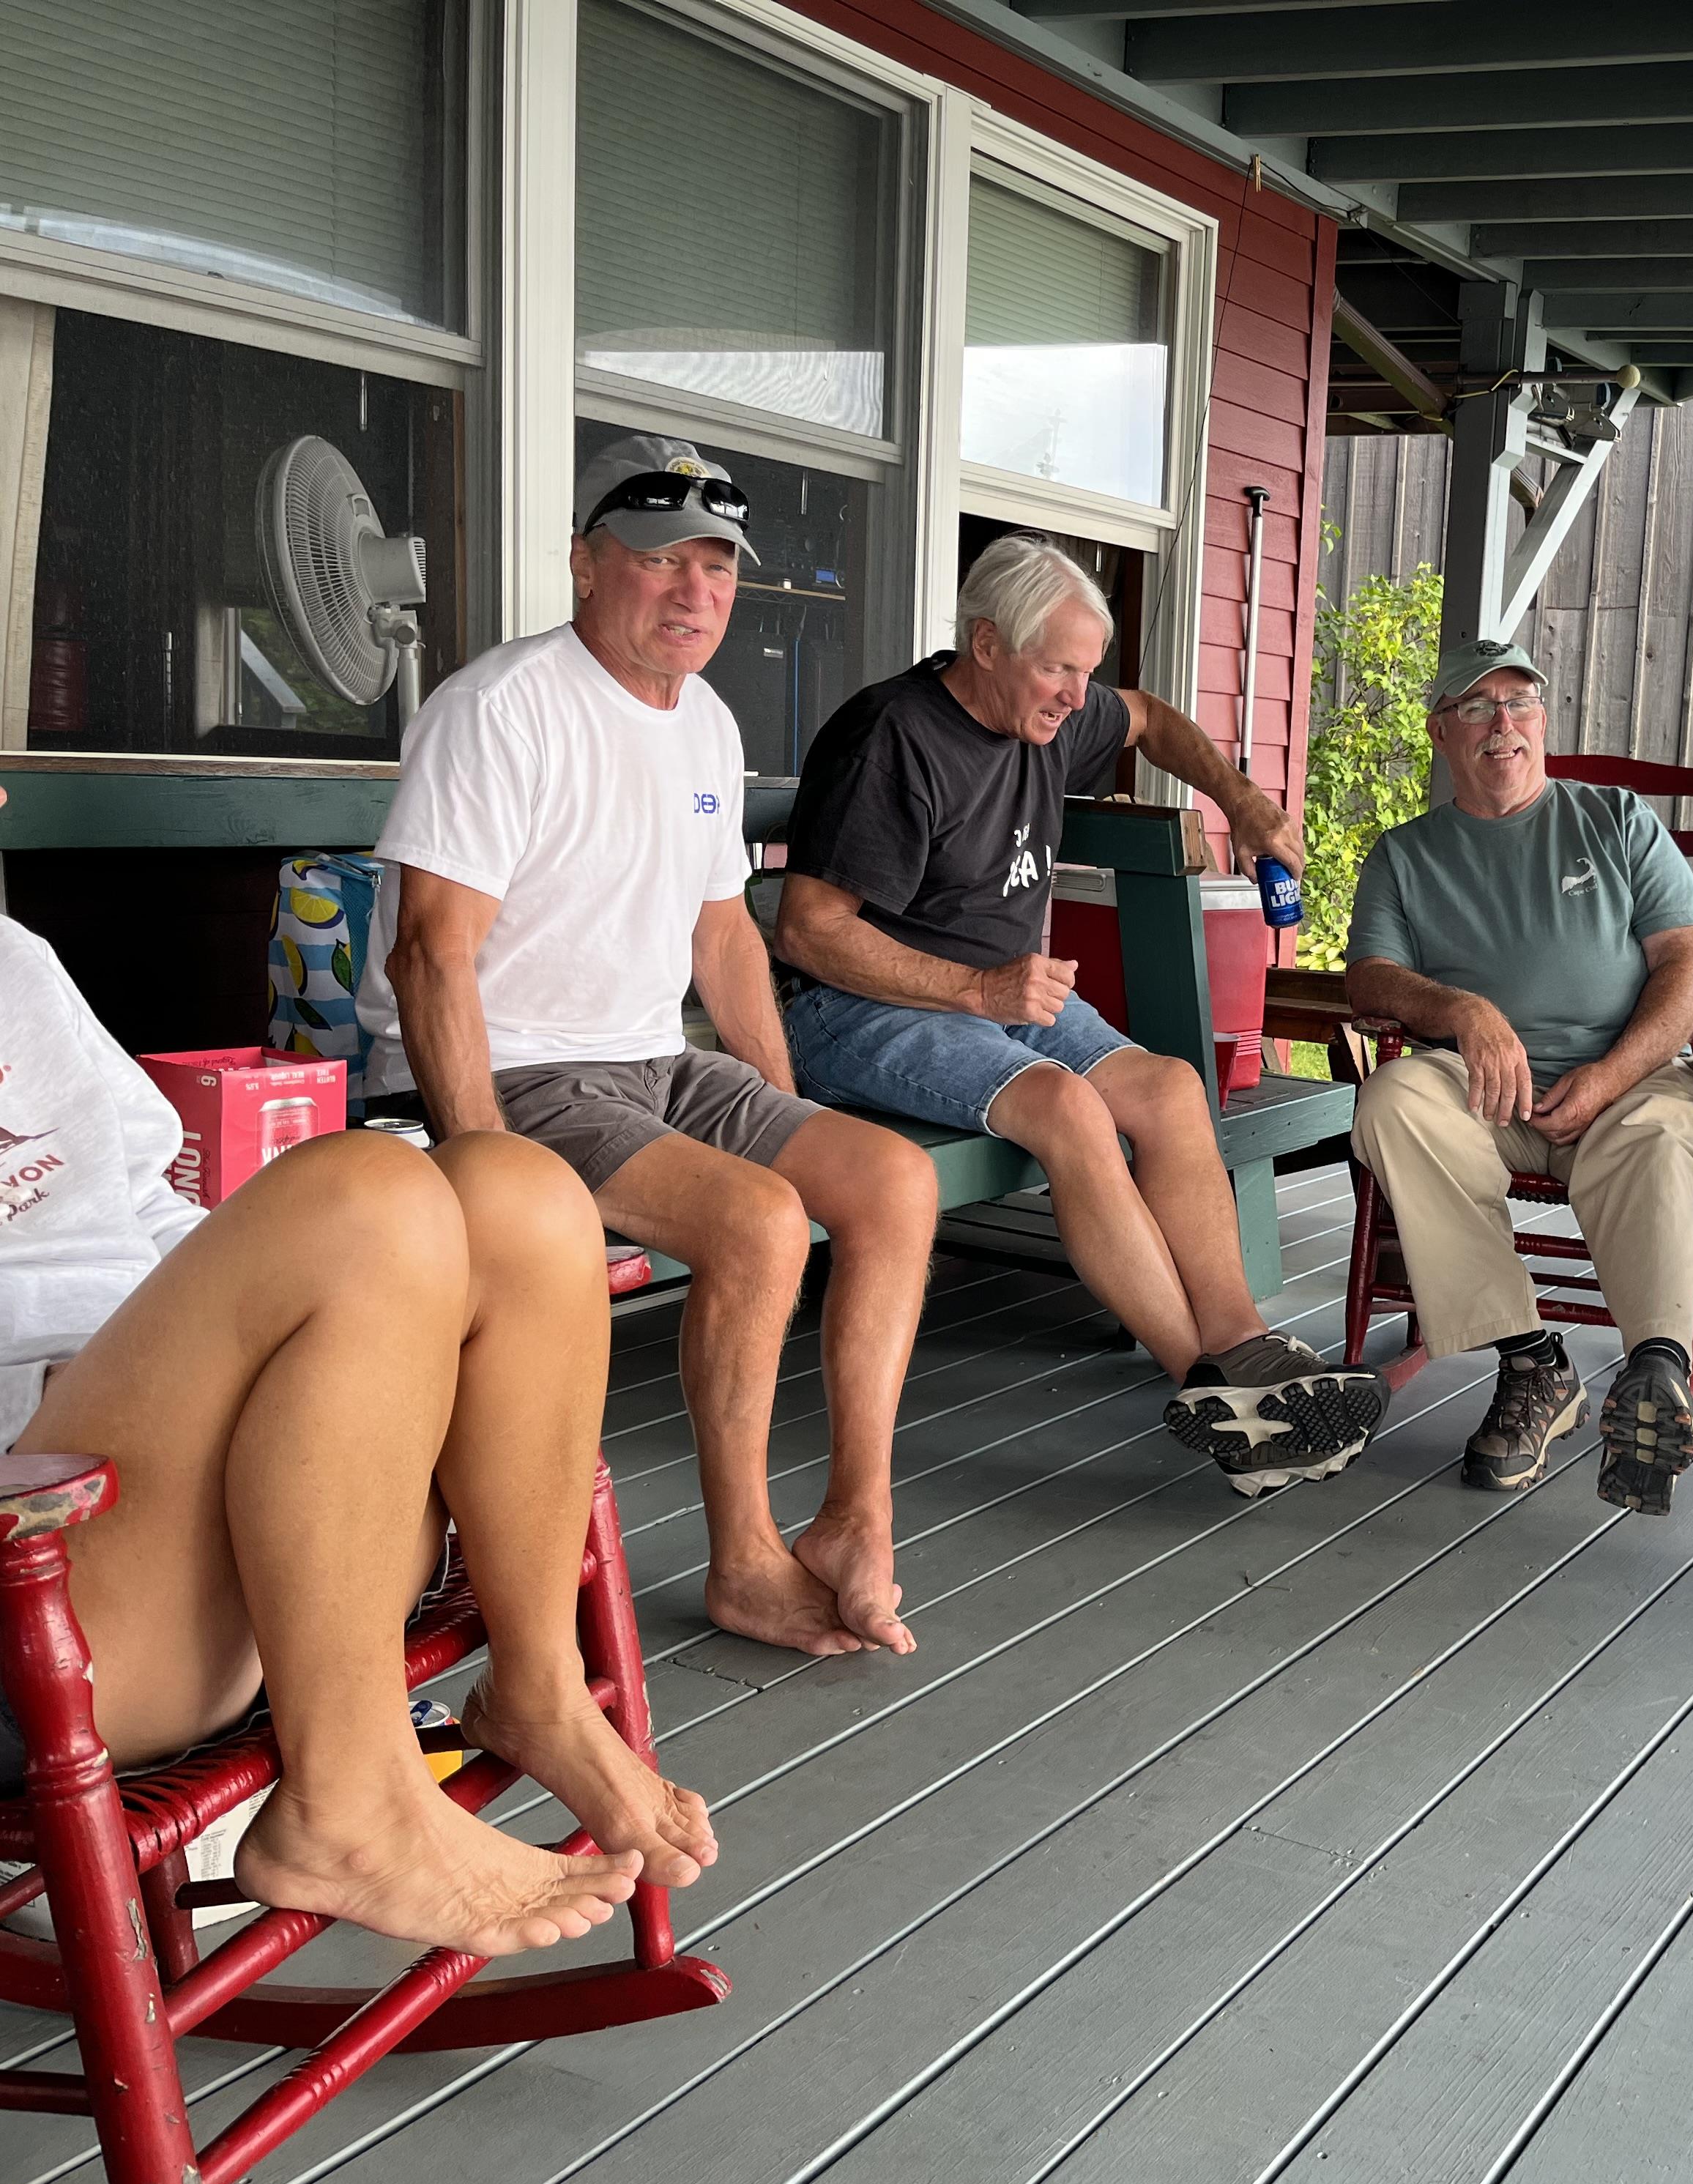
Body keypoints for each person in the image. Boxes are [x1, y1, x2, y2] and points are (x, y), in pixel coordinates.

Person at [0, 904, 714, 1958]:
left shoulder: (14, 960)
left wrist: (206, 1356)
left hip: (259, 1541)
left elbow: (143, 1203)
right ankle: (347, 1801)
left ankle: (539, 1687)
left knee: (514, 1189)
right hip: (47, 1580)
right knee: (361, 1194)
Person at [359, 434, 942, 1662]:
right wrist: (486, 1169)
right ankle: (742, 1558)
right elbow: (431, 954)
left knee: (892, 1180)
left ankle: (855, 1521)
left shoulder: (706, 726)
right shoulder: (499, 707)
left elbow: (723, 934)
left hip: (655, 1061)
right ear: (585, 562)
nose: (694, 591)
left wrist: (791, 1121)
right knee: (758, 1223)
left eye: (717, 566)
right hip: (512, 1064)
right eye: (658, 558)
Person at [773, 535, 1388, 1495]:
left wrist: (1247, 804)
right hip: (864, 1007)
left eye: (1085, 670)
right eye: (1057, 668)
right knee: (1067, 1109)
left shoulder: (1054, 714)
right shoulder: (891, 738)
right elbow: (809, 931)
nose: (1075, 694)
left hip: (1002, 994)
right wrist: (977, 993)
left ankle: (1242, 1345)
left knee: (1170, 1088)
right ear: (985, 644)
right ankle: (1210, 1387)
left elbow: (1146, 720)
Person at [1344, 640, 1693, 1512]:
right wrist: (1465, 1014)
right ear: (1441, 733)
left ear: (1541, 721)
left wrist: (1611, 1071)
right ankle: (1533, 1363)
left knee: (1662, 1137)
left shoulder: (1616, 820)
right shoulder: (1406, 855)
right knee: (1393, 1099)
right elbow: (1370, 979)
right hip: (1485, 1092)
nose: (1502, 724)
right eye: (1477, 708)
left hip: (1623, 1085)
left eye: (1519, 703)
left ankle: (1655, 1376)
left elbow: (1687, 963)